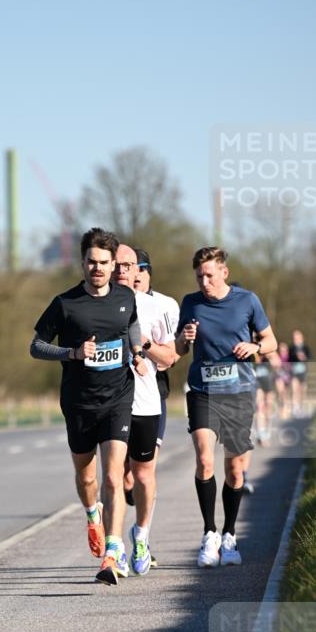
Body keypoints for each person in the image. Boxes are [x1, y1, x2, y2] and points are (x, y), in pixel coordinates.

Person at [30, 227, 147, 586]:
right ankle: (92, 514)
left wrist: (137, 352)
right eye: (91, 262)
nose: (97, 268)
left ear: (114, 265)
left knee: (113, 476)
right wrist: (73, 353)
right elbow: (36, 346)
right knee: (87, 477)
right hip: (79, 402)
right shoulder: (65, 304)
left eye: (104, 262)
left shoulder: (125, 296)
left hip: (118, 397)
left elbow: (132, 325)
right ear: (82, 263)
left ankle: (112, 551)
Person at [175, 247, 277, 567]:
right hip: (202, 390)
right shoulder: (190, 303)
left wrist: (254, 346)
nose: (204, 282)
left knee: (234, 470)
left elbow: (271, 341)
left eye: (209, 275)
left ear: (224, 272)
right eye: (199, 277)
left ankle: (229, 534)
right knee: (205, 459)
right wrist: (184, 338)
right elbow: (180, 348)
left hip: (238, 393)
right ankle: (209, 533)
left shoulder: (247, 300)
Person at [114, 244, 176, 575]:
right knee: (114, 476)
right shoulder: (99, 304)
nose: (123, 271)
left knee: (142, 474)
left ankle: (141, 535)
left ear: (139, 270)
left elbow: (170, 358)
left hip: (147, 400)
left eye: (129, 266)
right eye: (118, 265)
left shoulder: (158, 306)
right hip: (110, 402)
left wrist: (144, 345)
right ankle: (114, 549)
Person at [289, 329, 312, 415]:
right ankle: (295, 407)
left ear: (301, 338)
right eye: (294, 338)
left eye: (296, 338)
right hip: (294, 372)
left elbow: (310, 358)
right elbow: (289, 359)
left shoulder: (306, 348)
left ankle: (301, 406)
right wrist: (296, 356)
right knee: (295, 389)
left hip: (303, 372)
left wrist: (304, 358)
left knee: (302, 390)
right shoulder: (291, 348)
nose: (295, 340)